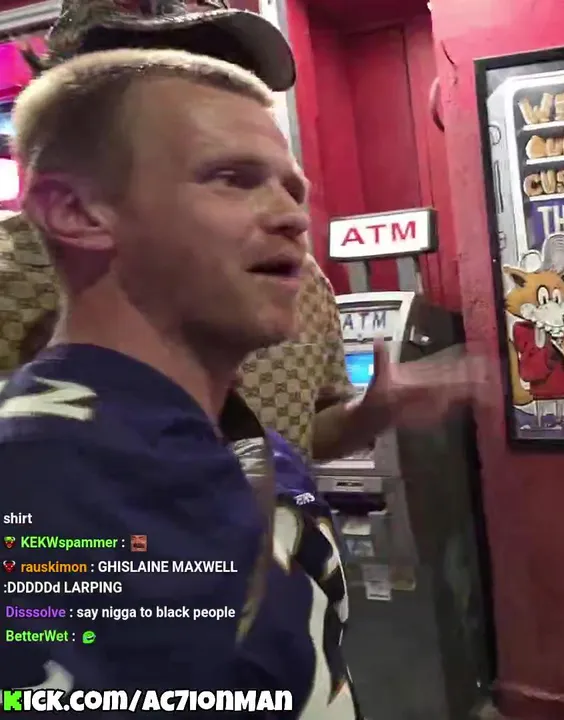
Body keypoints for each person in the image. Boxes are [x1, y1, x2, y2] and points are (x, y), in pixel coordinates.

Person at [0, 48, 357, 716]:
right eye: (233, 178)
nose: (293, 216)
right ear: (75, 210)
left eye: (292, 189)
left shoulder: (255, 450)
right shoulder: (33, 478)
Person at [0, 0, 479, 462]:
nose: (209, 91)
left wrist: (370, 414)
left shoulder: (300, 281)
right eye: (155, 69)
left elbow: (301, 432)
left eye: (224, 69)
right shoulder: (12, 270)